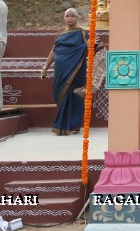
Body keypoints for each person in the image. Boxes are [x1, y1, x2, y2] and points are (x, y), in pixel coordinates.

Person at [39, 8, 100, 136]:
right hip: (60, 70)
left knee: (73, 96)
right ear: (64, 18)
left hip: (76, 69)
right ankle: (69, 124)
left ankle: (68, 125)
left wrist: (93, 43)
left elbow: (90, 48)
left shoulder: (82, 33)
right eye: (67, 16)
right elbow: (54, 50)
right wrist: (45, 67)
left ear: (77, 18)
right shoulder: (60, 34)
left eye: (73, 16)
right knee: (59, 94)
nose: (70, 18)